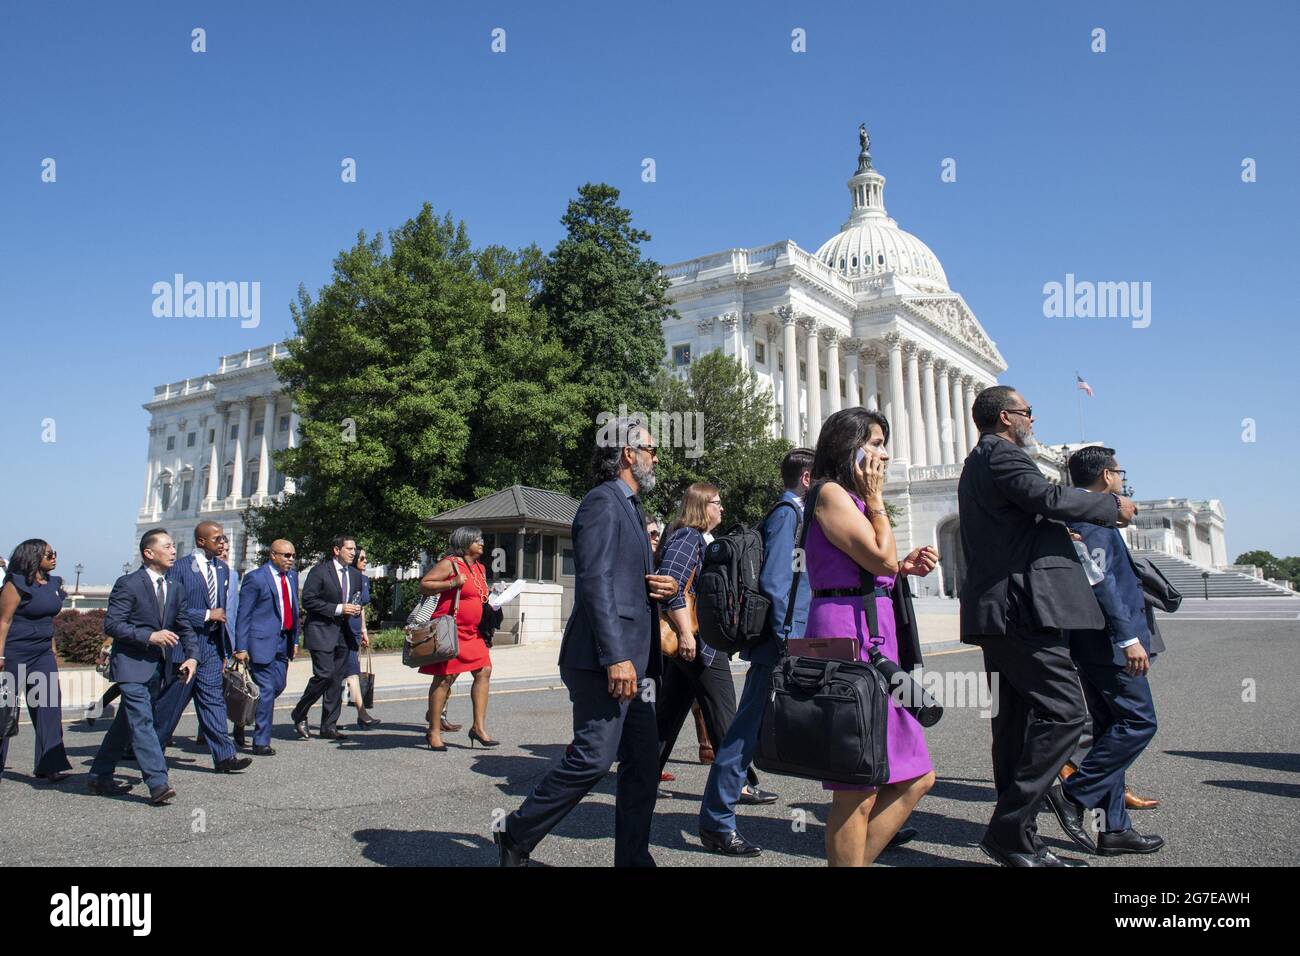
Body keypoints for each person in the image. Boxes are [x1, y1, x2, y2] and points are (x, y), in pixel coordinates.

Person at [958, 386, 1138, 867]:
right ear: (1004, 417)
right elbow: (1047, 495)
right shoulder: (1002, 455)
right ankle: (1011, 827)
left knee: (1014, 727)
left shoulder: (985, 461)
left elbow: (1030, 510)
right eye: (1027, 412)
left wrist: (1052, 523)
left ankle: (1020, 838)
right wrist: (1107, 508)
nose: (1032, 420)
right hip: (1020, 608)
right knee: (1065, 714)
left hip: (1002, 610)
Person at [495, 416, 678, 867]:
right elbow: (594, 582)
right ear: (628, 454)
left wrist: (659, 587)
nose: (656, 458)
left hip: (635, 662)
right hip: (604, 660)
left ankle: (632, 858)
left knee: (641, 766)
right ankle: (515, 831)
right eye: (651, 449)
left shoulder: (631, 506)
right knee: (594, 759)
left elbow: (619, 579)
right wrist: (615, 655)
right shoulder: (601, 502)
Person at [796, 409, 939, 866]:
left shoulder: (852, 497)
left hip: (874, 634)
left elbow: (878, 563)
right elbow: (878, 557)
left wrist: (902, 566)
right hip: (846, 633)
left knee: (915, 776)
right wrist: (878, 505)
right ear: (848, 443)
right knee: (856, 785)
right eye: (875, 442)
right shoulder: (831, 493)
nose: (884, 453)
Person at [1043, 447, 1164, 857]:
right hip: (1109, 642)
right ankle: (1073, 793)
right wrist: (1129, 637)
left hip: (1097, 640)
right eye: (1118, 471)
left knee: (1112, 727)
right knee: (1139, 722)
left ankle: (1115, 829)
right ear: (1106, 476)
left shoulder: (1088, 513)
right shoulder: (1092, 517)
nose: (1120, 478)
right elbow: (1101, 582)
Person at [697, 448, 812, 854]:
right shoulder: (788, 514)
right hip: (780, 642)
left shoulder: (796, 514)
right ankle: (716, 821)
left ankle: (869, 810)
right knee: (743, 734)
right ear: (807, 478)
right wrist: (784, 637)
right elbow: (777, 580)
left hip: (793, 637)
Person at [653, 484, 773, 805]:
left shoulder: (698, 538)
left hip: (697, 641)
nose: (722, 508)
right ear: (702, 506)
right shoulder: (686, 537)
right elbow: (670, 586)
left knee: (669, 714)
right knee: (724, 711)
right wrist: (686, 634)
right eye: (717, 503)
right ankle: (740, 784)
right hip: (697, 641)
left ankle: (642, 777)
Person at [88, 529, 199, 804]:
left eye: (174, 546)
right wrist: (150, 636)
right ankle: (158, 782)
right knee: (143, 722)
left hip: (158, 667)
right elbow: (113, 625)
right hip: (131, 666)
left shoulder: (174, 587)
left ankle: (100, 774)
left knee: (127, 721)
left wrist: (192, 656)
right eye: (168, 546)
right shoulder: (128, 583)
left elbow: (184, 625)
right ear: (149, 553)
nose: (174, 551)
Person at [152, 522, 250, 772]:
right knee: (172, 703)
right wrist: (206, 615)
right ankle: (148, 748)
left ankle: (225, 756)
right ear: (200, 541)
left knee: (213, 701)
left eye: (223, 538)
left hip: (212, 646)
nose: (222, 542)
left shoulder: (223, 570)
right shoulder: (181, 568)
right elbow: (171, 609)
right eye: (216, 538)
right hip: (185, 646)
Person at [0, 539, 74, 782]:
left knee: (49, 707)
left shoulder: (53, 583)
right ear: (33, 556)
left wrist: (51, 648)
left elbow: (47, 620)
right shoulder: (16, 583)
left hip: (42, 652)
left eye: (55, 553)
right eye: (49, 554)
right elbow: (4, 620)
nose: (54, 557)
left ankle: (49, 764)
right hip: (14, 652)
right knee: (5, 708)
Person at [419, 528, 495, 750]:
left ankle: (478, 728)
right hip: (450, 630)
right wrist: (451, 584)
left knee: (484, 670)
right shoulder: (450, 564)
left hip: (472, 632)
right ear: (464, 542)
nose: (482, 543)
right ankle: (433, 732)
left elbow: (477, 596)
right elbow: (424, 584)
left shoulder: (479, 567)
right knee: (444, 678)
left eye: (481, 539)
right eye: (477, 540)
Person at [291, 535, 365, 741]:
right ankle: (299, 712)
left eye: (354, 549)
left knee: (335, 681)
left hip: (344, 633)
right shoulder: (320, 571)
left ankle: (328, 726)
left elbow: (356, 600)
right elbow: (309, 600)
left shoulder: (355, 575)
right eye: (349, 549)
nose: (353, 552)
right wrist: (339, 608)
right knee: (323, 675)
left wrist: (355, 609)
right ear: (336, 550)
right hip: (321, 631)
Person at [234, 540, 301, 755]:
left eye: (292, 555)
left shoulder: (291, 577)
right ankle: (261, 741)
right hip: (260, 642)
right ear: (273, 555)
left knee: (278, 686)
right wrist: (241, 646)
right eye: (286, 555)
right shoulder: (256, 578)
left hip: (283, 641)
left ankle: (242, 718)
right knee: (267, 690)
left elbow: (294, 610)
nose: (290, 559)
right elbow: (243, 615)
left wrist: (296, 640)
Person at [343, 547, 379, 729]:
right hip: (345, 629)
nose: (365, 561)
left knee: (350, 671)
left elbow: (362, 606)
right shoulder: (345, 577)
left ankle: (359, 713)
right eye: (362, 558)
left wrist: (364, 630)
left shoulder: (364, 579)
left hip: (356, 629)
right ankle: (362, 713)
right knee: (351, 671)